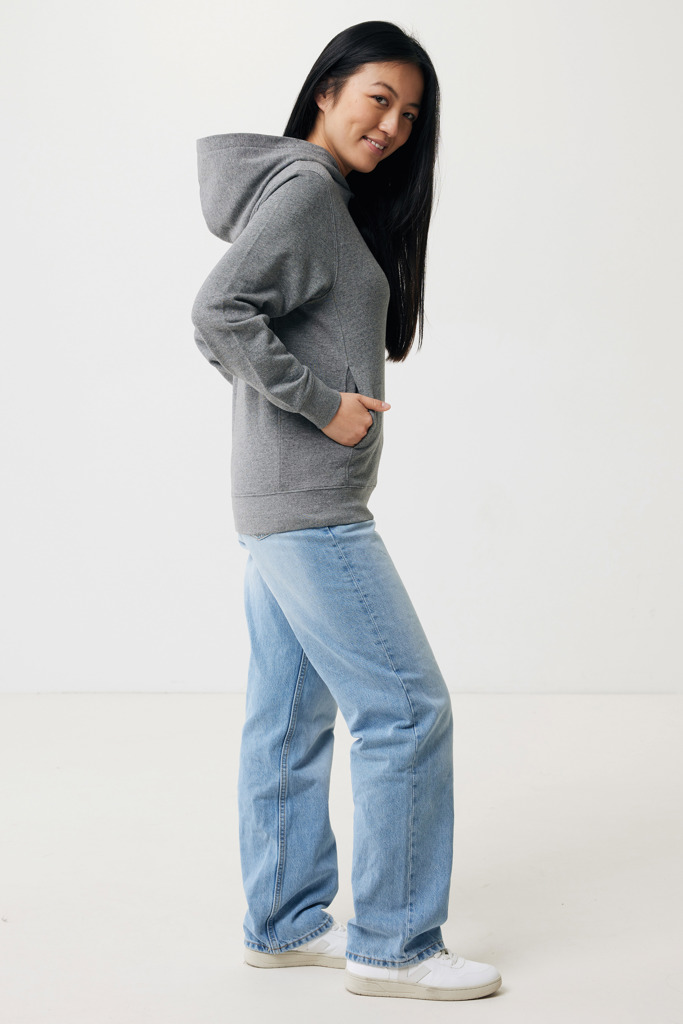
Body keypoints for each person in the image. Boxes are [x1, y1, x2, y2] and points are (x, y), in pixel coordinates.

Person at [191, 20, 502, 1002]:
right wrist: (322, 405)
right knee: (406, 710)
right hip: (309, 505)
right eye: (378, 98)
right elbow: (216, 313)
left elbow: (238, 321)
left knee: (288, 718)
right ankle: (395, 944)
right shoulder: (306, 192)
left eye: (409, 114)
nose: (393, 125)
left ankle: (284, 924)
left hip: (277, 501)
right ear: (325, 90)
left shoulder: (314, 195)